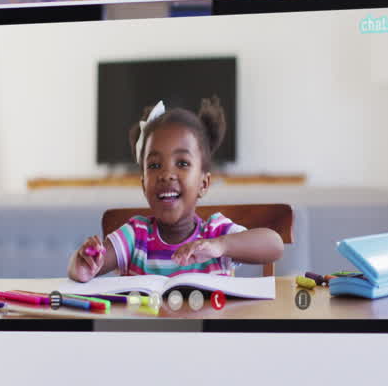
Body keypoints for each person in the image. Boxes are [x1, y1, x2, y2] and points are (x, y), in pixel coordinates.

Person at [67, 97, 284, 281]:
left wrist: (221, 246)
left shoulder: (215, 233)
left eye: (182, 163)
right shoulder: (134, 236)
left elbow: (274, 245)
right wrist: (83, 265)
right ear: (143, 184)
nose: (166, 174)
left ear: (203, 184)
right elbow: (87, 269)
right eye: (154, 165)